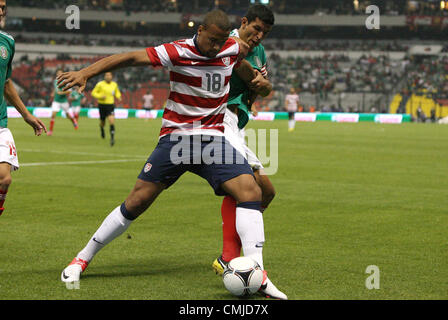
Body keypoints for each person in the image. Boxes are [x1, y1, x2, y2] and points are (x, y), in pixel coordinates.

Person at [57, 9, 286, 300]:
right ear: (200, 31)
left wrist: (259, 83)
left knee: (251, 191)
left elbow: (242, 68)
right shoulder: (176, 51)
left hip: (212, 140)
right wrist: (85, 73)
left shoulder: (231, 48)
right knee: (136, 202)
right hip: (177, 140)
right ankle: (81, 259)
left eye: (220, 42)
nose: (215, 48)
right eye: (211, 41)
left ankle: (259, 274)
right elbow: (129, 58)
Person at [209, 5, 282, 300]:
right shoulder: (225, 41)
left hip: (238, 124)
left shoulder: (259, 50)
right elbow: (256, 81)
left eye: (265, 32)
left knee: (266, 193)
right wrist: (259, 83)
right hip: (220, 118)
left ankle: (230, 256)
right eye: (255, 28)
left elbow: (264, 88)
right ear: (243, 22)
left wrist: (262, 85)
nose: (259, 35)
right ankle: (233, 257)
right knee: (253, 189)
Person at [0, 0, 47, 216]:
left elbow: (7, 83)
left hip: (0, 120)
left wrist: (26, 115)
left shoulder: (8, 42)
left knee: (4, 178)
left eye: (3, 7)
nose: (1, 11)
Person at [91, 72, 121, 146]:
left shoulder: (114, 84)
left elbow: (117, 92)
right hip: (102, 105)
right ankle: (102, 129)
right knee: (102, 122)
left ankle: (112, 138)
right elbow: (93, 93)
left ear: (112, 77)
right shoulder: (100, 84)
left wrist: (118, 96)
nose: (108, 77)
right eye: (107, 75)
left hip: (110, 105)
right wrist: (100, 96)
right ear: (104, 77)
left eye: (109, 75)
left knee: (111, 121)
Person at [48, 69, 79, 136]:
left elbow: (69, 91)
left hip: (64, 101)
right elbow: (56, 90)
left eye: (60, 73)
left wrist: (62, 92)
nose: (59, 74)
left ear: (63, 74)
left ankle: (74, 121)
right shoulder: (55, 81)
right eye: (58, 73)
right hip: (56, 101)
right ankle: (50, 131)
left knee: (68, 115)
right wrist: (54, 93)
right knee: (53, 115)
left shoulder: (66, 81)